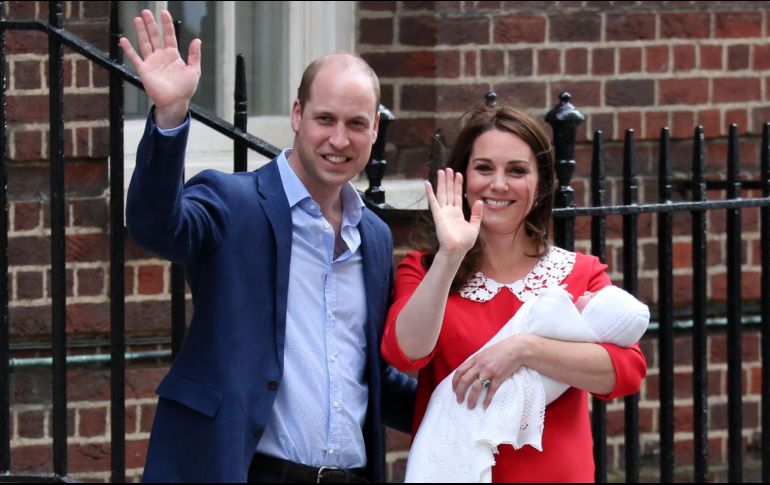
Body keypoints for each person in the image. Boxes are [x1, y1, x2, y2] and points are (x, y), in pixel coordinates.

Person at [119, 9, 415, 483]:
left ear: (375, 129)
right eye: (324, 119)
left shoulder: (374, 237)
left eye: (356, 123)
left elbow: (371, 376)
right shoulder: (232, 202)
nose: (339, 139)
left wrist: (475, 399)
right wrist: (171, 115)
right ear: (297, 116)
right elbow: (154, 227)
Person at [380, 103, 647, 482]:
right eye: (484, 168)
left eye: (517, 170)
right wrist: (451, 254)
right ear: (462, 179)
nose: (499, 184)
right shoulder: (425, 269)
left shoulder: (580, 272)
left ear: (540, 187)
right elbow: (404, 353)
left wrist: (525, 350)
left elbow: (627, 371)